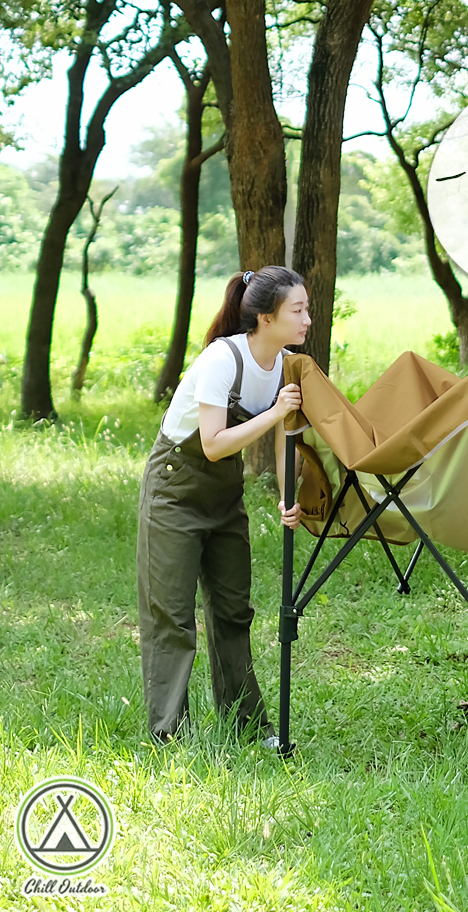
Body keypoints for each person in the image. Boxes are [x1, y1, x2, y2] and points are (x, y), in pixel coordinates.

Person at [136, 266, 309, 744]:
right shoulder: (222, 359)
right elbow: (212, 444)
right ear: (266, 317)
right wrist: (276, 411)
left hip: (225, 495)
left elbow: (286, 442)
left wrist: (287, 498)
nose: (307, 319)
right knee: (172, 615)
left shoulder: (287, 364)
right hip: (175, 489)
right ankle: (169, 733)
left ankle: (246, 728)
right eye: (298, 310)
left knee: (233, 611)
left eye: (306, 309)